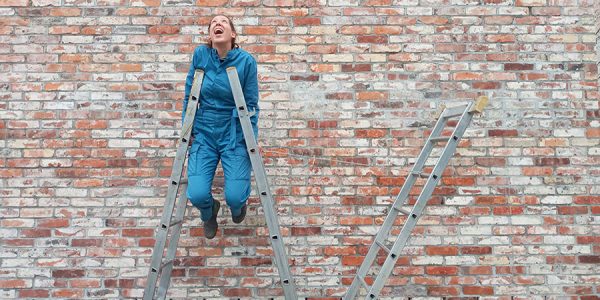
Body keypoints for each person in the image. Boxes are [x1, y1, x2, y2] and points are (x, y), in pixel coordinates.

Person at [182, 15, 259, 239]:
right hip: (204, 133)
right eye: (213, 23)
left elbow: (252, 104)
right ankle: (209, 212)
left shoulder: (246, 62)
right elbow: (190, 95)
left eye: (223, 22)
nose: (218, 24)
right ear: (209, 35)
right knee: (196, 194)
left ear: (233, 34)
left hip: (233, 132)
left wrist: (251, 140)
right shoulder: (201, 55)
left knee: (235, 196)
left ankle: (237, 208)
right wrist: (187, 132)